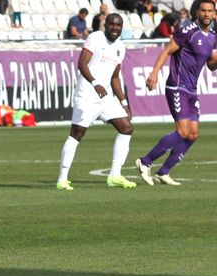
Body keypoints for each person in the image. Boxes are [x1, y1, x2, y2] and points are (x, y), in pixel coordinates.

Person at [136, 0, 217, 186]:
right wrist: (154, 73)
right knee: (182, 131)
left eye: (210, 11)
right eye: (203, 10)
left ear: (214, 14)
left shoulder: (213, 36)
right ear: (197, 12)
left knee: (192, 134)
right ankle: (145, 161)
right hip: (177, 86)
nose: (206, 14)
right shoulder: (187, 31)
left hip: (191, 90)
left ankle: (163, 172)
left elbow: (212, 65)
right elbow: (167, 51)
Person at [56, 13, 137, 191]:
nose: (115, 28)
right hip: (87, 94)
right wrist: (95, 83)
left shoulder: (120, 47)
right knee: (77, 133)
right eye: (112, 24)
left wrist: (124, 102)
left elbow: (115, 77)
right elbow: (82, 64)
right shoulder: (95, 38)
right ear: (105, 25)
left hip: (106, 96)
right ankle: (62, 178)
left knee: (126, 128)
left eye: (118, 25)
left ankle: (115, 175)